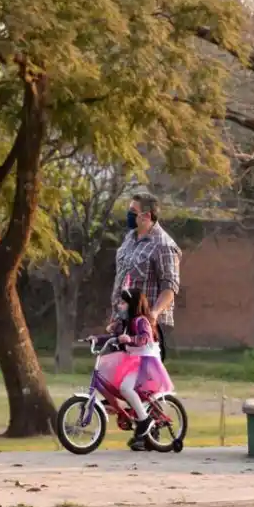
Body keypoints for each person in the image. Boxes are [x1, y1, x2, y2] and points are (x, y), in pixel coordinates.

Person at [94, 287, 173, 451]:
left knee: (125, 387)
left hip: (146, 362)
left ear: (132, 305)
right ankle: (131, 412)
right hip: (133, 360)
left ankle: (144, 420)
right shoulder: (126, 324)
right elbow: (113, 337)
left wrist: (130, 339)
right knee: (118, 385)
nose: (120, 307)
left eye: (123, 303)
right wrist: (97, 339)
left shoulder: (141, 321)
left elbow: (144, 338)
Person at [109, 192, 181, 362]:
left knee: (145, 381)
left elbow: (170, 287)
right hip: (125, 319)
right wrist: (116, 315)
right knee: (118, 376)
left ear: (147, 216)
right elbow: (122, 280)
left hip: (147, 325)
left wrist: (154, 314)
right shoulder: (129, 239)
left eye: (133, 211)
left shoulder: (164, 245)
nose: (129, 215)